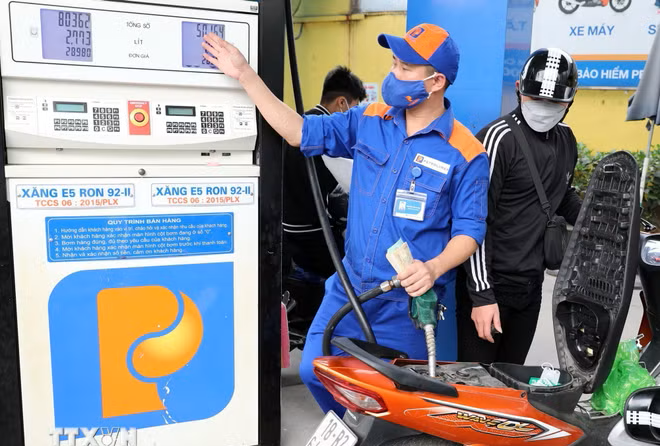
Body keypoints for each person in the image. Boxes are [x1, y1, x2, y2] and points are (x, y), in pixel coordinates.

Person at [202, 23, 490, 416]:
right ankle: (355, 437)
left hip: (405, 303)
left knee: (399, 404)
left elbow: (470, 231)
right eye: (394, 63)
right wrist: (245, 75)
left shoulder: (466, 153)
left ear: (436, 81)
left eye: (405, 68)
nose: (393, 74)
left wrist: (433, 268)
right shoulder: (369, 118)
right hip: (349, 288)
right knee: (315, 371)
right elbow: (298, 131)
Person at [456, 48, 582, 365]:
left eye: (555, 102)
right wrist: (481, 296)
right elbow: (475, 220)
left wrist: (598, 219)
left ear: (570, 100)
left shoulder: (567, 140)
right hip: (490, 287)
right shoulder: (498, 139)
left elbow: (562, 195)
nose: (544, 108)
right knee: (477, 381)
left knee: (512, 379)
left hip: (530, 288)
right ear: (518, 89)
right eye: (535, 98)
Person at [283, 66, 367, 280]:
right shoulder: (328, 136)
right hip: (315, 235)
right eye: (354, 108)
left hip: (287, 232)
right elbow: (344, 190)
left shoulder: (301, 123)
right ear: (342, 103)